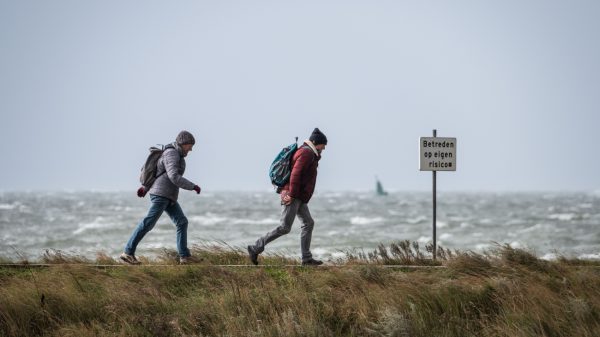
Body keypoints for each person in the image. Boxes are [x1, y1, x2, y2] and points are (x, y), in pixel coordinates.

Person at [248, 128, 328, 266]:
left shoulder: (310, 153)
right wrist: (291, 194)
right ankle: (255, 248)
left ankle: (306, 259)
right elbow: (295, 174)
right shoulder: (306, 153)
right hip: (293, 195)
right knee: (285, 227)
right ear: (315, 143)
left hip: (298, 196)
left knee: (308, 223)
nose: (324, 148)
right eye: (323, 145)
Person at [120, 130, 201, 265]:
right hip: (161, 195)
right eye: (190, 145)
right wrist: (193, 186)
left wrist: (145, 188)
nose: (191, 149)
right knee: (148, 223)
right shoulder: (172, 153)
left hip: (168, 196)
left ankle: (185, 257)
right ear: (183, 143)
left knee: (182, 222)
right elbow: (173, 176)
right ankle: (127, 253)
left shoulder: (177, 154)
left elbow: (159, 173)